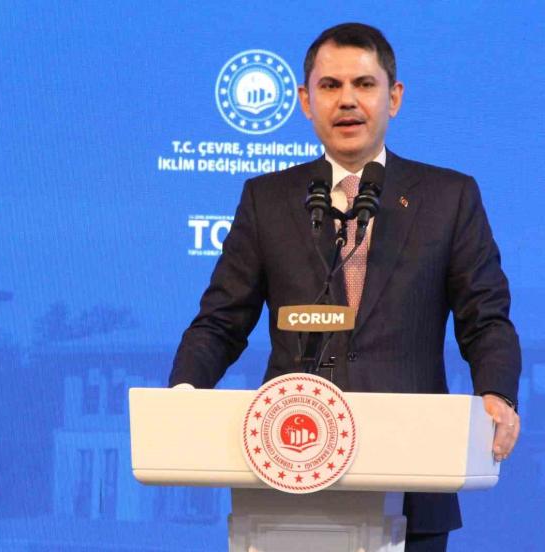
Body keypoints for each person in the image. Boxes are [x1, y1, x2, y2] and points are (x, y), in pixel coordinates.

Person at [170, 22, 521, 552]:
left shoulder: (448, 198)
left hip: (413, 471)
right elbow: (221, 321)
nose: (347, 100)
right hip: (290, 462)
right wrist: (183, 395)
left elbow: (485, 317)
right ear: (305, 101)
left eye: (364, 84)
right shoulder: (268, 199)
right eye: (330, 86)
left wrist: (497, 392)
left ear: (393, 97)